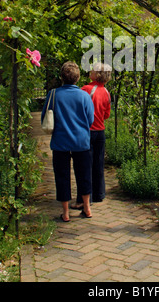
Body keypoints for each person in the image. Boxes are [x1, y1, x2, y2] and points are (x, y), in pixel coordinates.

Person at [41, 61, 94, 222]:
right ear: (77, 78)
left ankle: (65, 213)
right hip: (81, 142)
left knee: (62, 176)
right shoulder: (84, 96)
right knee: (84, 175)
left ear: (62, 77)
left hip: (60, 142)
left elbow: (45, 117)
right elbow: (90, 119)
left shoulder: (53, 94)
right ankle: (87, 208)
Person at [71, 62, 111, 209]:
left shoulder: (86, 89)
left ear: (98, 74)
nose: (90, 71)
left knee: (84, 165)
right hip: (100, 131)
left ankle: (84, 198)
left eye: (93, 70)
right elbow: (107, 114)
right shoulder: (106, 92)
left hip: (87, 131)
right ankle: (99, 194)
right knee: (98, 164)